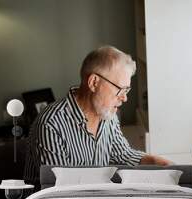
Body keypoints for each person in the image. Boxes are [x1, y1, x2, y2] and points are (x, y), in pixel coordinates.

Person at [24, 46, 172, 185]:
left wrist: (161, 163)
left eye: (127, 90)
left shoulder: (107, 114)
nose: (124, 98)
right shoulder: (50, 125)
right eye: (121, 89)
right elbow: (62, 193)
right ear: (94, 82)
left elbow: (124, 155)